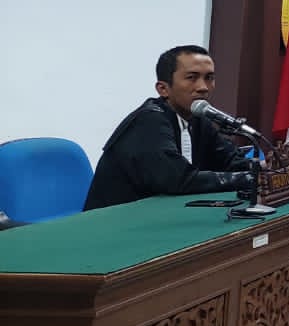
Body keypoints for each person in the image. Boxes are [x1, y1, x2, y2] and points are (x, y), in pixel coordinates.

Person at [83, 45, 256, 211]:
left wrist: (262, 168)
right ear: (163, 89)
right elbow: (178, 180)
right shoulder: (148, 121)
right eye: (192, 78)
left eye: (209, 78)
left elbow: (229, 161)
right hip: (116, 220)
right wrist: (251, 178)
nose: (203, 87)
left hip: (164, 214)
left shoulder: (198, 119)